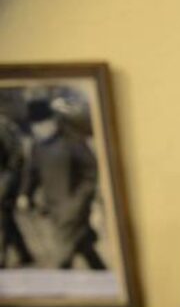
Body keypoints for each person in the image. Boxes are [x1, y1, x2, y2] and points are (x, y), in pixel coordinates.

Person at [23, 98, 106, 270]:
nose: (39, 130)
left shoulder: (73, 141)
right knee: (84, 247)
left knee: (62, 256)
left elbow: (91, 173)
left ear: (52, 121)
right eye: (35, 127)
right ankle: (105, 277)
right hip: (53, 207)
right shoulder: (37, 146)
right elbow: (32, 173)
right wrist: (25, 194)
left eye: (42, 125)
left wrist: (80, 199)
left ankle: (61, 289)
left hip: (75, 206)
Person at [0, 114, 34, 267]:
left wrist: (6, 184)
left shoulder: (3, 125)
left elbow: (15, 157)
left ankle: (1, 258)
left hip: (5, 180)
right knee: (7, 220)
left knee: (2, 219)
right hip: (6, 178)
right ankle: (25, 254)